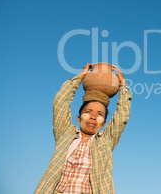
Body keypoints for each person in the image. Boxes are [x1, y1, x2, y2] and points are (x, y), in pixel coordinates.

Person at [35, 63, 132, 194]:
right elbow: (60, 102)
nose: (93, 117)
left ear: (103, 124)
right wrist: (81, 76)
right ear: (79, 118)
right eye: (89, 112)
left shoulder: (106, 142)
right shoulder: (65, 134)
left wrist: (123, 83)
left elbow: (122, 115)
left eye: (100, 114)